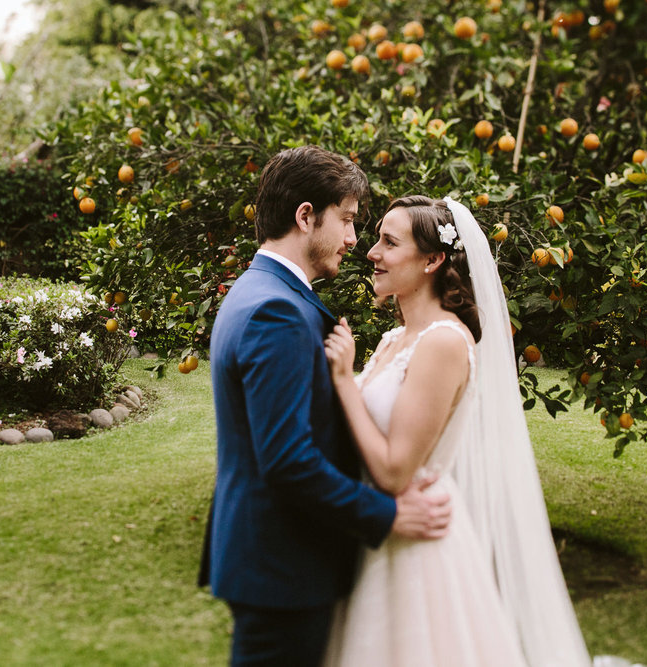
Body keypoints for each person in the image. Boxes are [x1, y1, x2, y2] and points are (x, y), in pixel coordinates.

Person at [198, 147, 454, 667]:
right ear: (306, 216)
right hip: (284, 568)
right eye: (348, 220)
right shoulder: (279, 311)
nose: (355, 240)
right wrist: (388, 514)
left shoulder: (257, 291)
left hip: (273, 561)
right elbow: (288, 460)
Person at [321, 196, 592, 666]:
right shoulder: (394, 338)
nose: (371, 252)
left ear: (432, 259)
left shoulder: (444, 342)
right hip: (374, 536)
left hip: (414, 551)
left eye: (389, 242)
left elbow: (393, 471)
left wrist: (344, 380)